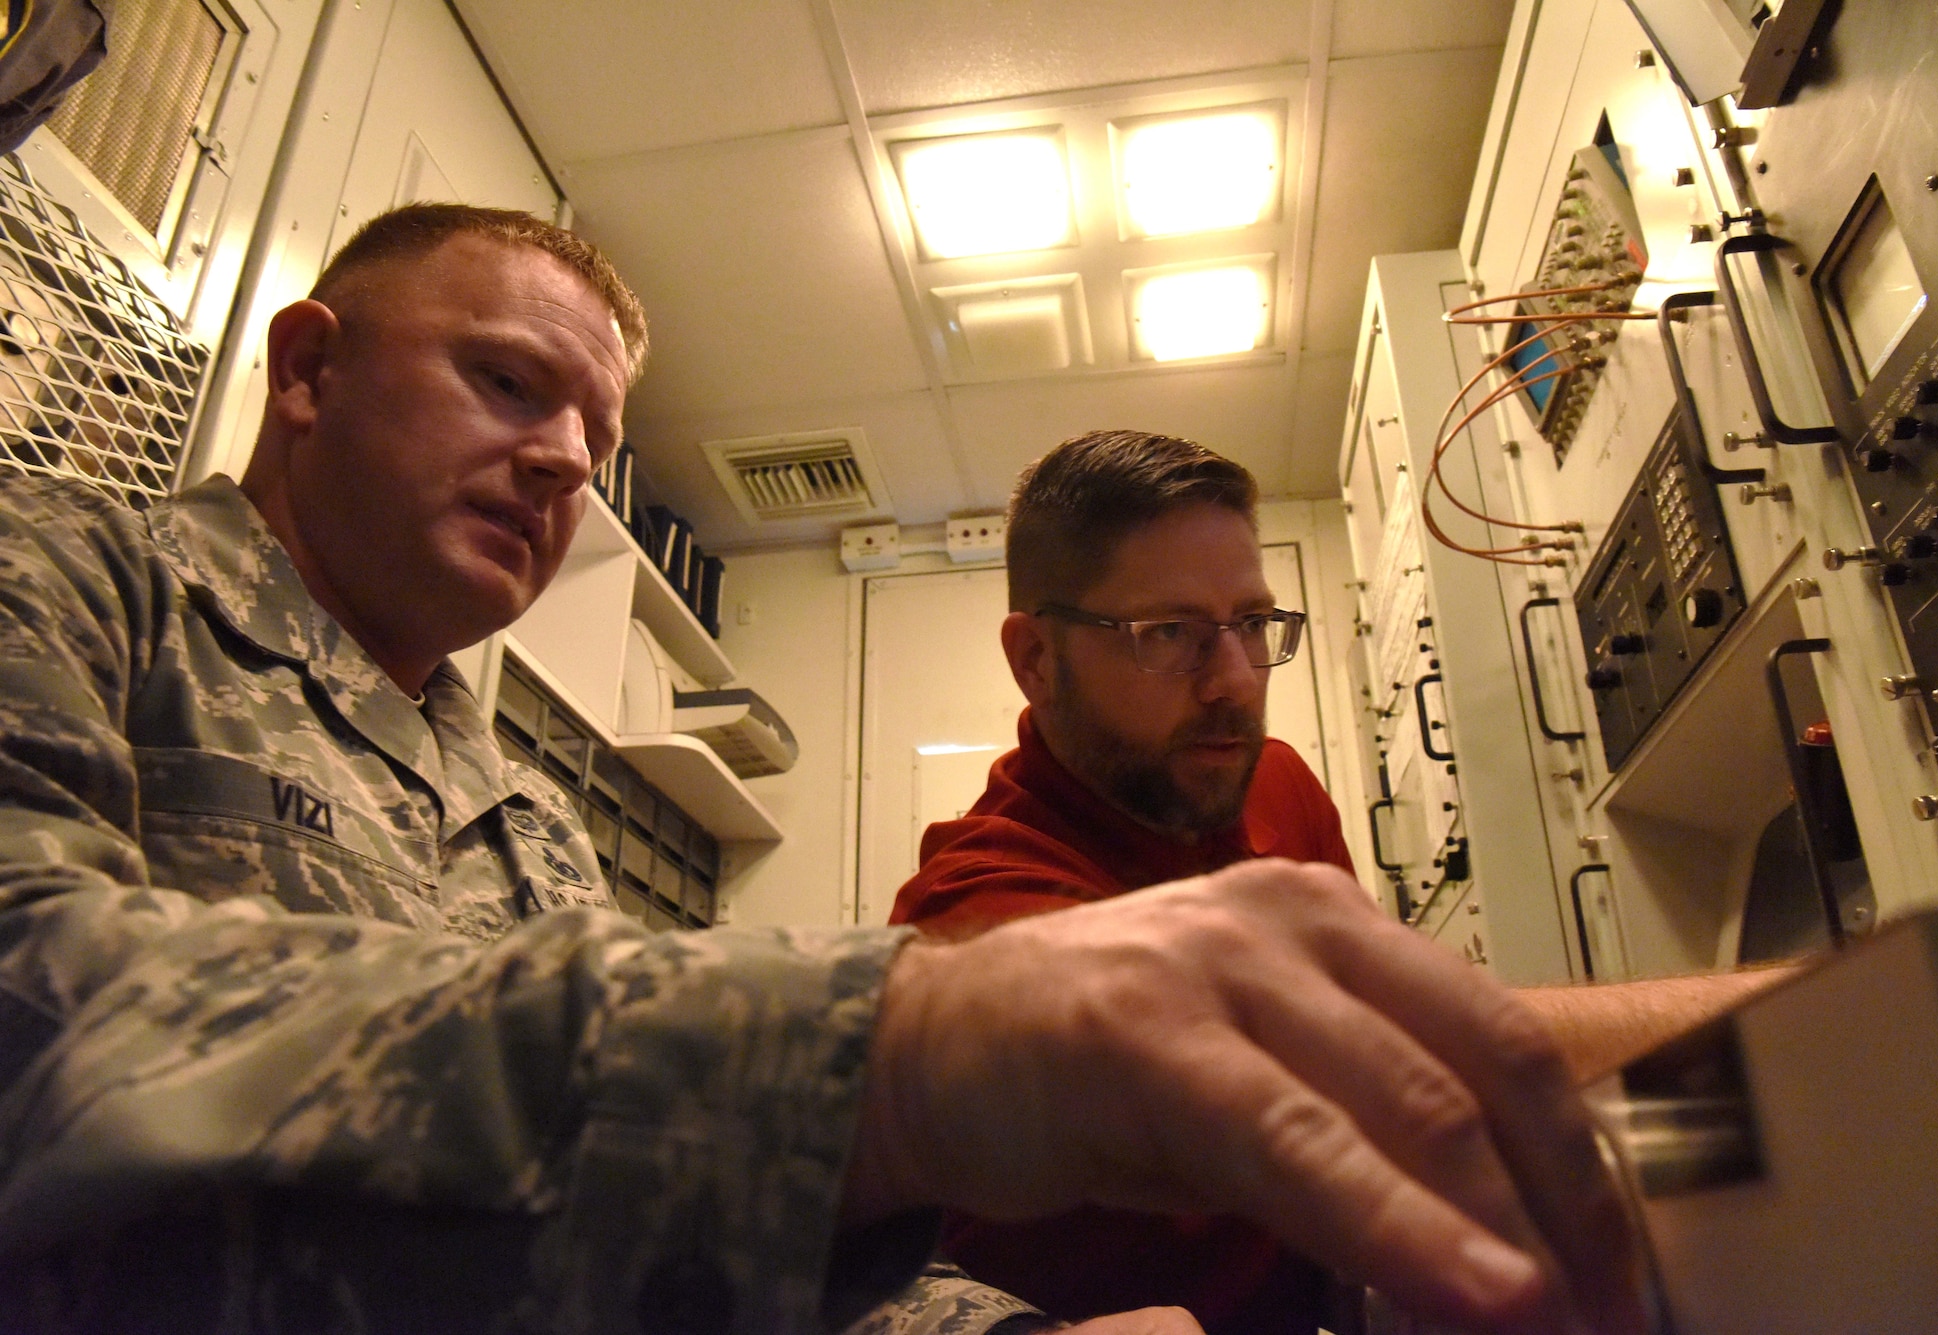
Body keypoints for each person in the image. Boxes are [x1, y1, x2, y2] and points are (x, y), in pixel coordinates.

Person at [0, 204, 1644, 1335]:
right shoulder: (70, 572)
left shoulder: (522, 828)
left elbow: (672, 1238)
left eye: (599, 431)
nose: (570, 458)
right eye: (507, 381)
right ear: (306, 371)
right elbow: (37, 1018)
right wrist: (890, 1045)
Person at [891, 430, 1785, 1333]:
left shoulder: (1270, 778)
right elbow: (1400, 1048)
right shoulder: (977, 911)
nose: (1235, 680)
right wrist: (1799, 1014)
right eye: (1171, 635)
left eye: (1251, 623)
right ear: (1037, 658)